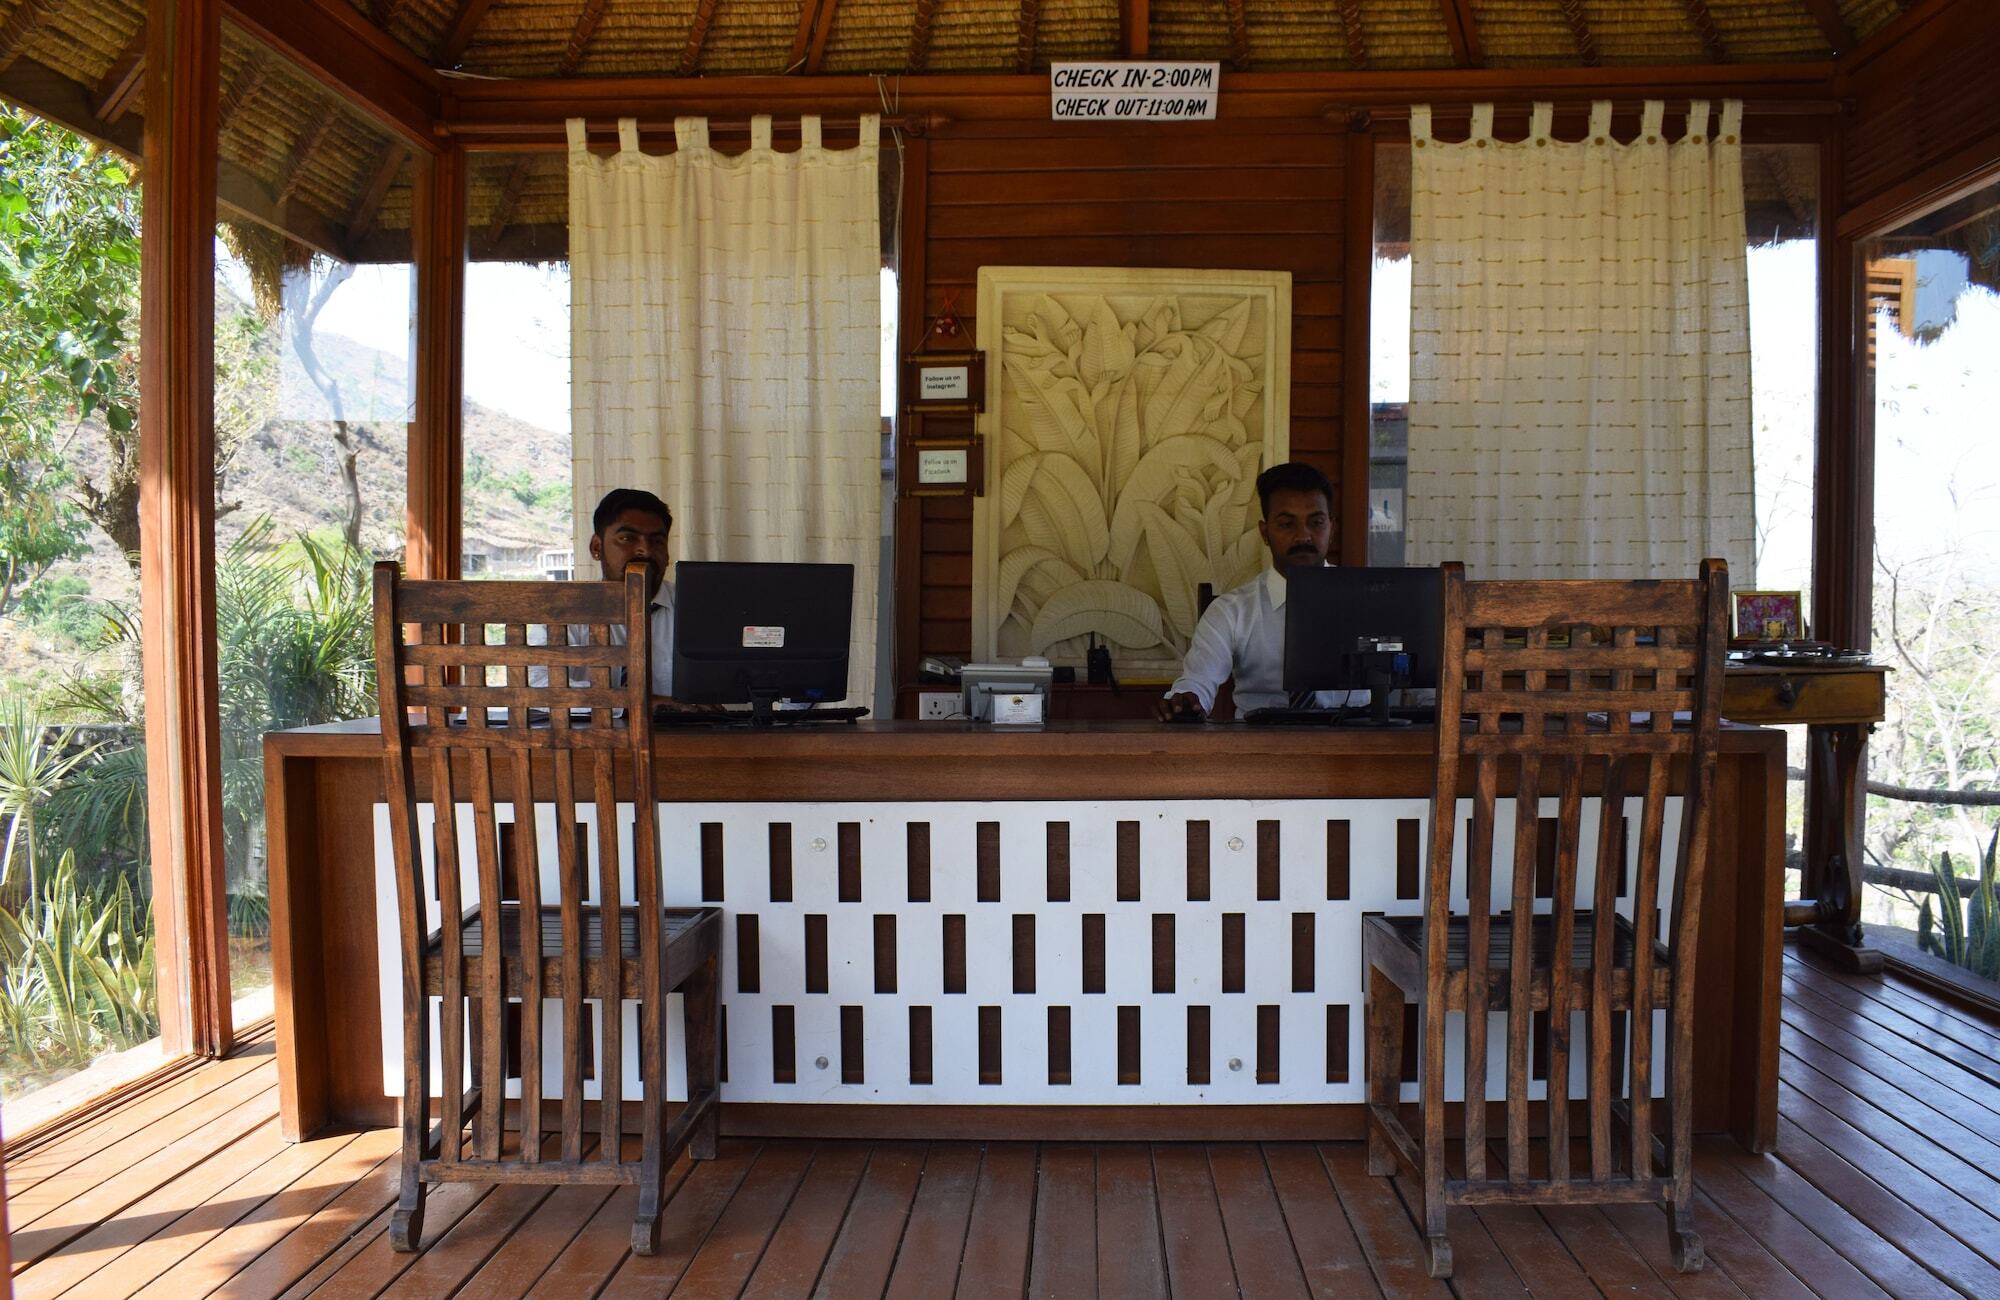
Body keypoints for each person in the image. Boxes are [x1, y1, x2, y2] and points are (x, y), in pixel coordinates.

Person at [1155, 461, 1355, 721]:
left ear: (1332, 528)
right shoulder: (1232, 611)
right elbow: (1197, 683)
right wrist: (1185, 701)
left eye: (1316, 522)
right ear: (1265, 532)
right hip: (1261, 752)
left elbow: (1426, 694)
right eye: (1286, 524)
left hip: (1356, 750)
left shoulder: (1371, 603)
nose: (1303, 536)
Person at [532, 487, 712, 710]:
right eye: (627, 538)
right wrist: (638, 705)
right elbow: (536, 684)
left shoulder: (696, 607)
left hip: (685, 740)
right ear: (597, 548)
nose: (644, 551)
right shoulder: (562, 611)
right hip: (589, 738)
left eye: (657, 541)